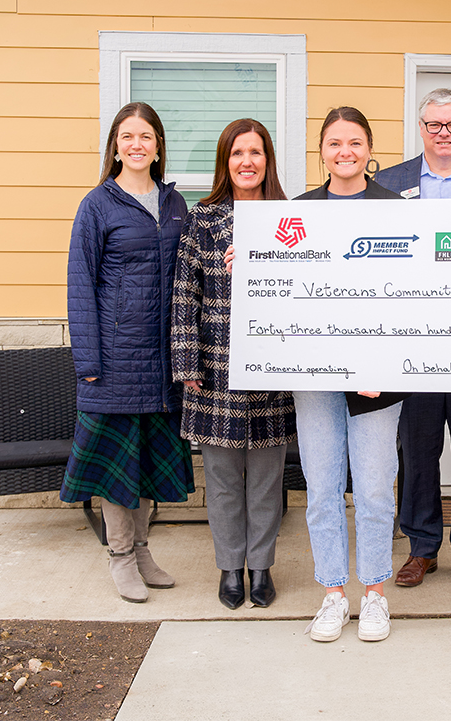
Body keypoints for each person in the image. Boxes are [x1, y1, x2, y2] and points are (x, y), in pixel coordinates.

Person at [63, 102, 194, 604]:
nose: (136, 145)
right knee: (117, 464)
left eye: (146, 136)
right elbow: (81, 286)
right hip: (116, 362)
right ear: (115, 145)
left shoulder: (175, 204)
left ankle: (141, 551)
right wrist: (89, 363)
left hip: (164, 362)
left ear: (158, 145)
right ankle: (119, 557)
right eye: (127, 136)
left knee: (145, 463)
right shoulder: (98, 204)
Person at [171, 118, 296, 610]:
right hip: (215, 370)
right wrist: (187, 364)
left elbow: (308, 288)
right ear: (226, 162)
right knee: (222, 481)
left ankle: (261, 567)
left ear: (267, 161)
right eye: (237, 153)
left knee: (267, 480)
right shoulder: (201, 220)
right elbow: (185, 296)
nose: (247, 161)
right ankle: (229, 568)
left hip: (273, 368)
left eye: (256, 152)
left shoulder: (289, 218)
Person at [375, 88, 451, 591]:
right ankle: (421, 547)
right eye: (433, 125)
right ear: (420, 127)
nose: (443, 133)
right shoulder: (388, 182)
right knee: (417, 448)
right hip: (412, 340)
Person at [295, 106, 407, 642]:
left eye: (355, 142)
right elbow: (283, 286)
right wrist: (248, 262)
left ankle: (376, 593)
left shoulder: (395, 209)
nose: (345, 152)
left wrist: (385, 360)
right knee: (321, 488)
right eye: (335, 143)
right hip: (316, 378)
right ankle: (334, 592)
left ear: (369, 148)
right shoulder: (298, 211)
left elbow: (413, 294)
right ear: (322, 150)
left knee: (375, 490)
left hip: (377, 382)